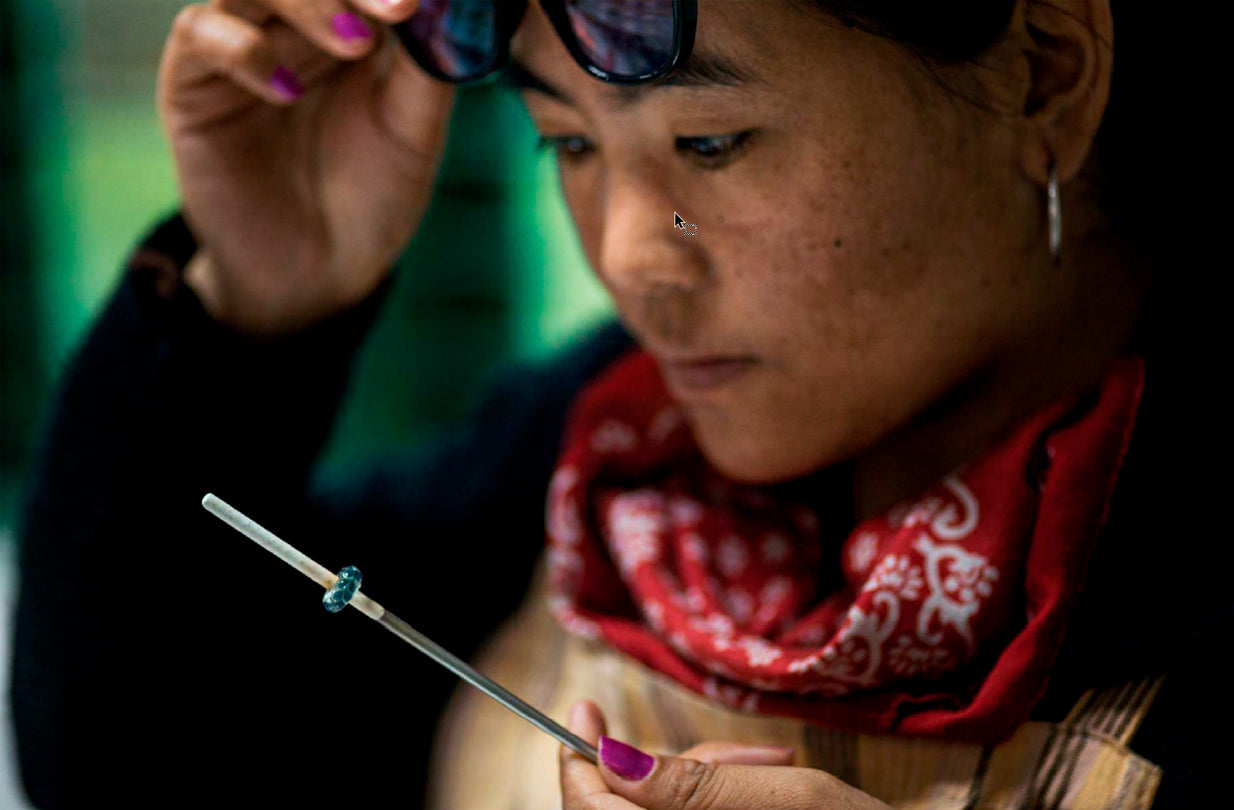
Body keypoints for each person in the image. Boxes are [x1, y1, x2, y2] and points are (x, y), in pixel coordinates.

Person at [9, 0, 1221, 807]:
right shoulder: (616, 442)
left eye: (712, 142)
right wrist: (259, 295)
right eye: (564, 144)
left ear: (1044, 75)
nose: (630, 256)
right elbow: (131, 762)